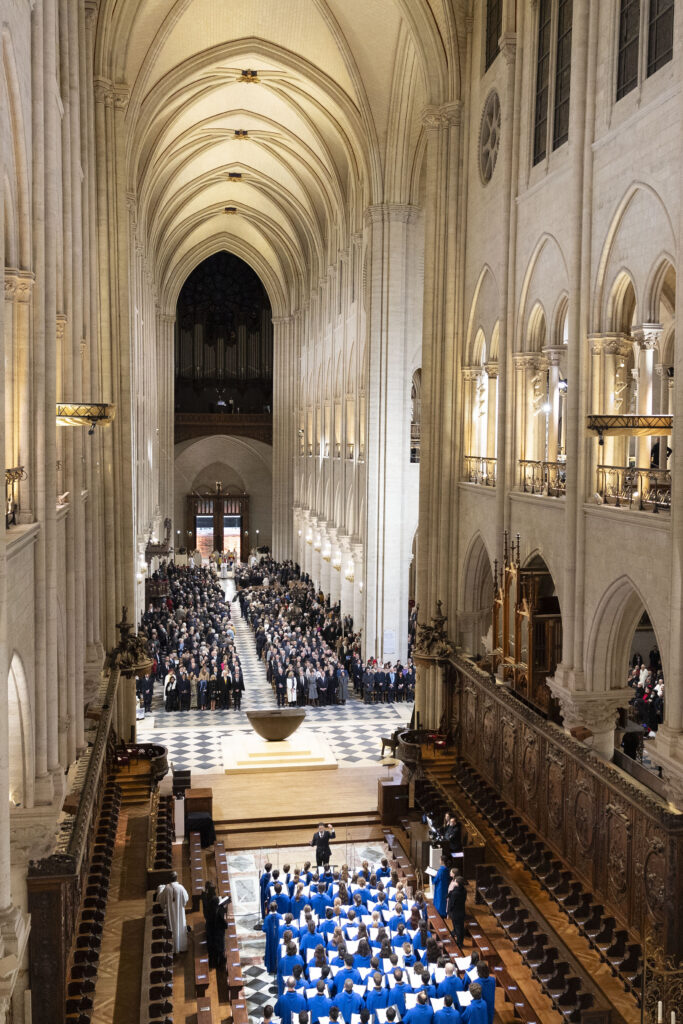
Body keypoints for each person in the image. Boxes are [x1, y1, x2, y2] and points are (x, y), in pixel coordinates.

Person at [157, 872, 189, 953]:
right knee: (180, 928)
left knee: (172, 929)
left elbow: (161, 900)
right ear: (176, 878)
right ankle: (181, 947)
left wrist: (160, 889)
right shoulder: (181, 888)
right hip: (179, 914)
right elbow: (186, 898)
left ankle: (173, 948)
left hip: (171, 914)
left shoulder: (167, 888)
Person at [447, 874, 467, 948]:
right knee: (460, 927)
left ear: (457, 883)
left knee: (458, 928)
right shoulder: (464, 890)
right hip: (461, 911)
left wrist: (449, 911)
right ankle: (459, 940)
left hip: (456, 913)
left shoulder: (455, 893)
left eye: (455, 881)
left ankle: (459, 943)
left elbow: (451, 903)